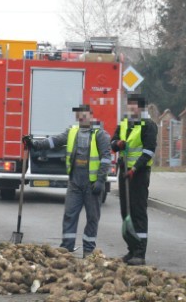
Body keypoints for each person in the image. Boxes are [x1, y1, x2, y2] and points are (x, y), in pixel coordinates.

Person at [22, 105, 111, 257]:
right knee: (70, 214)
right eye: (80, 115)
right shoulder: (72, 131)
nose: (82, 118)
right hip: (75, 182)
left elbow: (106, 158)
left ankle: (89, 251)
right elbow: (54, 142)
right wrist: (35, 144)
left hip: (92, 183)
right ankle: (66, 248)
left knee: (92, 217)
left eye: (85, 115)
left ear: (90, 116)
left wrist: (101, 181)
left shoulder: (100, 134)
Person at [111, 94, 157, 266]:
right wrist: (118, 144)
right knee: (126, 212)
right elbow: (112, 142)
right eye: (129, 105)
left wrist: (135, 168)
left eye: (134, 105)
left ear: (141, 107)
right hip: (124, 173)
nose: (130, 108)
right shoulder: (124, 122)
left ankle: (140, 252)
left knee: (138, 212)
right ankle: (131, 250)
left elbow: (149, 151)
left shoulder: (149, 125)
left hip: (139, 175)